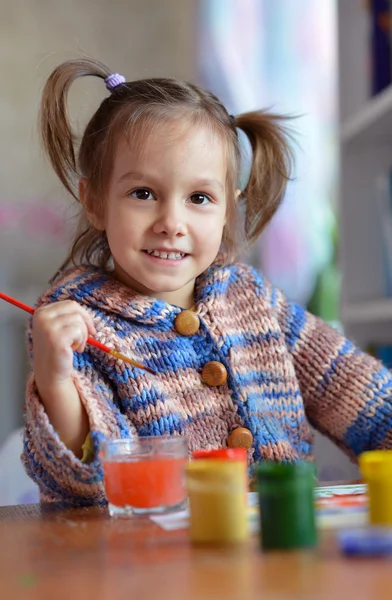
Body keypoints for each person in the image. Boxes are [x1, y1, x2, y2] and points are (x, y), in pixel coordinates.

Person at [22, 58, 392, 506]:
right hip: (159, 562)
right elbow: (87, 488)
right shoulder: (75, 322)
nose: (171, 222)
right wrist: (55, 380)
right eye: (143, 194)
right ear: (95, 202)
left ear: (226, 211)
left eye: (199, 198)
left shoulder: (251, 297)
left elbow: (355, 391)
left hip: (282, 544)